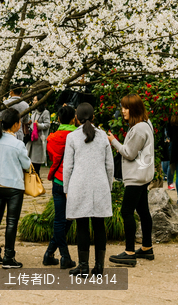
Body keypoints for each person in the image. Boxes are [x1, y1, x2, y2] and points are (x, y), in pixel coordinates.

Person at [64, 102, 113, 277]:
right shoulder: (103, 137)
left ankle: (83, 267)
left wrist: (66, 188)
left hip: (79, 184)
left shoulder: (72, 137)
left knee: (82, 225)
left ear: (76, 118)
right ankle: (99, 267)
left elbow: (68, 166)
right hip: (100, 184)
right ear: (93, 117)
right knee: (100, 226)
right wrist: (109, 186)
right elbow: (109, 166)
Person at [108, 94, 155, 266]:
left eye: (126, 107)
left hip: (136, 176)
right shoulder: (145, 124)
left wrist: (113, 141)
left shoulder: (139, 129)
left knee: (126, 212)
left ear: (134, 109)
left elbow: (128, 153)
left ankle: (129, 252)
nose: (123, 111)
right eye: (122, 107)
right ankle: (146, 247)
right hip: (143, 175)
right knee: (143, 211)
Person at [0, 108, 31, 269]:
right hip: (14, 187)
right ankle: (8, 257)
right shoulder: (18, 144)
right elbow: (26, 164)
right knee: (11, 222)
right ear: (15, 125)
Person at [43, 105, 76, 269]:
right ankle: (64, 256)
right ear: (73, 119)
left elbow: (52, 157)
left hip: (57, 180)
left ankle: (50, 253)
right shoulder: (76, 136)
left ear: (58, 120)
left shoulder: (52, 137)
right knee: (68, 219)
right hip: (72, 183)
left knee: (59, 219)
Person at [26, 102, 51, 175]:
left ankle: (36, 182)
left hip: (39, 140)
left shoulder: (45, 112)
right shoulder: (34, 111)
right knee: (31, 163)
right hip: (32, 139)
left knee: (36, 165)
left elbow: (47, 124)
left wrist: (38, 125)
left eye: (35, 100)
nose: (33, 102)